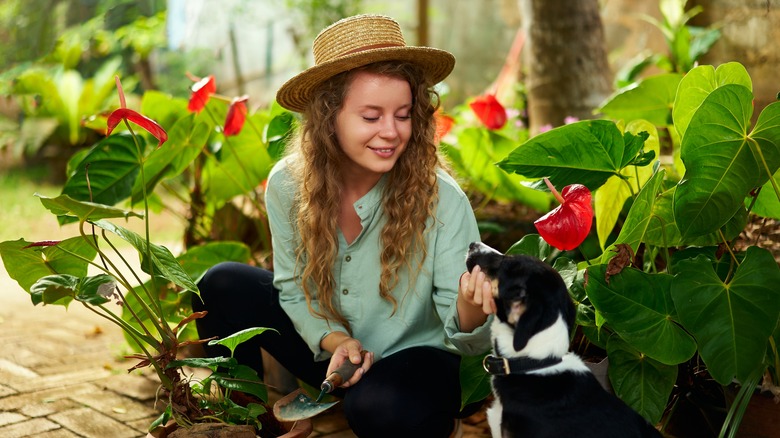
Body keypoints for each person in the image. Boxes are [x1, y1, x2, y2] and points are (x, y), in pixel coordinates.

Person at [193, 14, 495, 437]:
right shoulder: (287, 183)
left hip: (413, 360)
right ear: (328, 118)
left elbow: (467, 340)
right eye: (371, 117)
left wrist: (471, 304)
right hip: (331, 352)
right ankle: (257, 422)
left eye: (404, 115)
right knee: (219, 284)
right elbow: (295, 285)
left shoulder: (441, 198)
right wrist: (334, 341)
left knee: (378, 408)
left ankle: (433, 421)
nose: (391, 132)